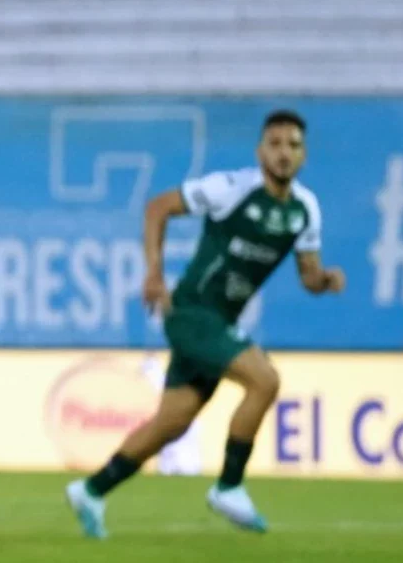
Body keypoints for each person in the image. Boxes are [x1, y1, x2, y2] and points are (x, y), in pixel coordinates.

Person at [65, 110, 346, 539]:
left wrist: (325, 281)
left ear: (304, 155)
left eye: (293, 145)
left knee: (171, 423)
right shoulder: (231, 188)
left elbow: (309, 275)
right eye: (275, 143)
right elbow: (158, 207)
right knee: (265, 381)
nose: (284, 153)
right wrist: (154, 273)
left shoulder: (306, 209)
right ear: (260, 151)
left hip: (219, 320)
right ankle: (229, 486)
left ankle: (91, 489)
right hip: (193, 313)